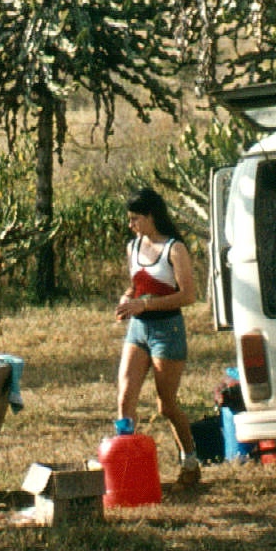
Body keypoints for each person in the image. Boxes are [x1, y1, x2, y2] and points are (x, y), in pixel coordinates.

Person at [113, 187, 201, 489]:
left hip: (167, 330)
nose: (131, 225)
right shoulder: (133, 247)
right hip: (138, 329)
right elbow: (136, 285)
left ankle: (190, 460)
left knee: (166, 405)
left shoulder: (174, 249)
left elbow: (188, 296)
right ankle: (126, 469)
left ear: (151, 216)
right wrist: (127, 300)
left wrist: (146, 304)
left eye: (135, 219)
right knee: (125, 398)